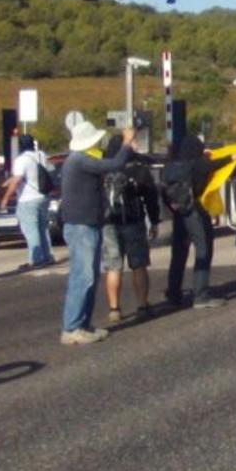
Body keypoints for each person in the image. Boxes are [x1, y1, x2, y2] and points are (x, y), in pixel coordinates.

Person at [58, 112, 136, 345]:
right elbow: (115, 164)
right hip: (81, 226)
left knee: (89, 276)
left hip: (86, 224)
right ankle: (72, 327)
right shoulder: (80, 160)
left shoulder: (78, 160)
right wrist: (126, 143)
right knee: (83, 277)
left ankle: (82, 324)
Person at [100, 127, 162, 324]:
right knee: (139, 265)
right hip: (133, 221)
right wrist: (154, 220)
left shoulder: (102, 168)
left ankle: (114, 309)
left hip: (108, 223)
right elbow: (150, 196)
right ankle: (142, 304)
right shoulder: (137, 167)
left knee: (113, 267)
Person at [162, 131, 221, 309]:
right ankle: (201, 295)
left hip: (179, 212)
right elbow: (225, 161)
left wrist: (172, 206)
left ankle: (174, 293)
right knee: (203, 250)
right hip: (195, 210)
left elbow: (163, 190)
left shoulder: (171, 166)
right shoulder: (198, 165)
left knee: (179, 254)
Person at [0, 134, 55, 269]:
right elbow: (49, 170)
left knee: (31, 230)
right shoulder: (41, 155)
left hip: (27, 199)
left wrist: (5, 198)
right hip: (43, 196)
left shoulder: (21, 160)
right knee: (42, 228)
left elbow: (18, 179)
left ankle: (36, 260)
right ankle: (48, 256)